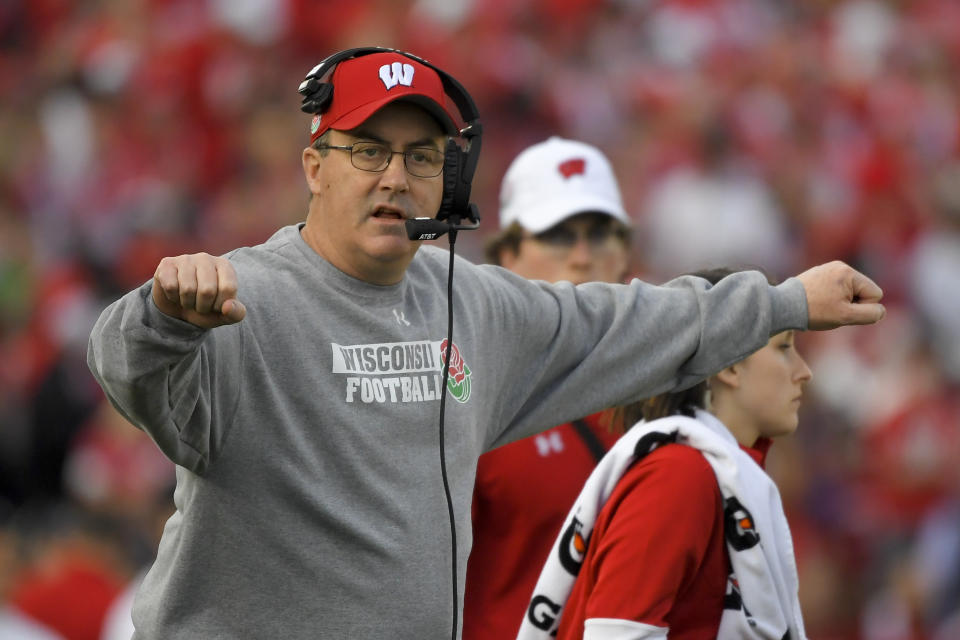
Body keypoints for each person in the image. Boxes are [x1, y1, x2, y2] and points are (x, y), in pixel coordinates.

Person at [86, 47, 884, 639]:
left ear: (449, 183)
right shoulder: (238, 296)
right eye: (367, 151)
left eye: (422, 156)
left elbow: (630, 321)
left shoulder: (471, 301)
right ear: (314, 167)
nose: (395, 177)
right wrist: (165, 315)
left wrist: (784, 302)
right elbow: (126, 366)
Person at [518, 268, 814, 640]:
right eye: (785, 347)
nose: (805, 372)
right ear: (730, 363)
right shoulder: (677, 475)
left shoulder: (701, 470)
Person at [463, 136, 631, 640]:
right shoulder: (470, 394)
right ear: (507, 255)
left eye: (601, 234)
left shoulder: (670, 386)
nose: (583, 257)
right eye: (558, 235)